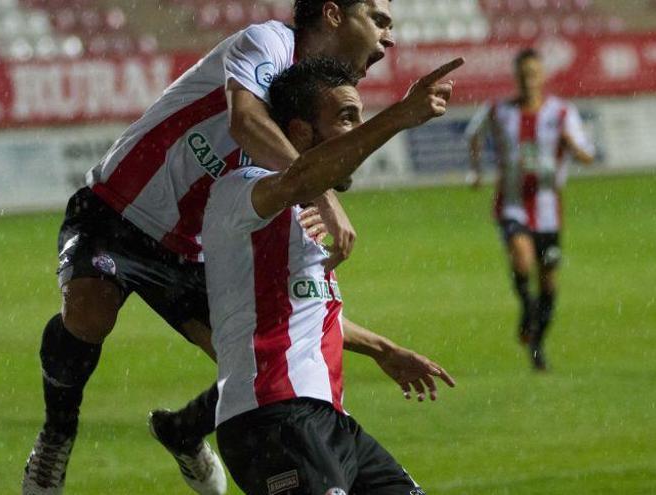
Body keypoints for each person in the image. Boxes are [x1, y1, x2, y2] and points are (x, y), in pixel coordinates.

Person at [21, 1, 396, 494]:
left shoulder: (308, 96)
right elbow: (244, 121)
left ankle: (183, 432)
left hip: (190, 251)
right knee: (89, 313)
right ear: (333, 14)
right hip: (119, 210)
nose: (389, 37)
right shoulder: (268, 42)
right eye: (380, 19)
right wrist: (319, 192)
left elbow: (304, 309)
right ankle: (57, 434)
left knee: (255, 364)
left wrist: (385, 349)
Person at [206, 55, 462, 495]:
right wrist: (398, 117)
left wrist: (384, 349)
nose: (356, 130)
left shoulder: (302, 209)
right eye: (346, 118)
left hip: (328, 420)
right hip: (272, 417)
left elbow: (302, 311)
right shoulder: (242, 191)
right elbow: (297, 178)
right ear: (301, 132)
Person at [466, 48, 594, 371]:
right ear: (516, 77)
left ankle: (536, 341)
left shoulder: (562, 113)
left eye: (534, 74)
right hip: (512, 205)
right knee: (521, 257)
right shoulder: (498, 110)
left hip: (549, 210)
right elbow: (473, 136)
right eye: (523, 75)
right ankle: (527, 311)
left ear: (543, 76)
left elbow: (588, 155)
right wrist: (478, 171)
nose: (528, 80)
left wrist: (572, 145)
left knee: (549, 282)